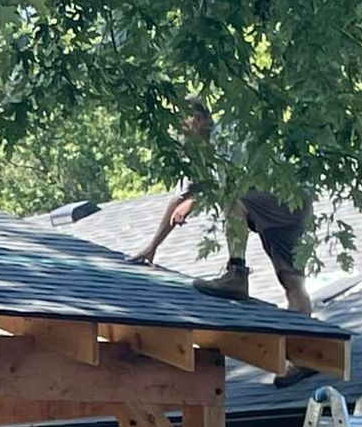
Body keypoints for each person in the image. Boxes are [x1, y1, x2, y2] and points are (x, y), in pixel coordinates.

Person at [128, 99, 314, 317]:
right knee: (292, 281)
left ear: (196, 119)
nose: (178, 132)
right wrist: (153, 245)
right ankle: (302, 330)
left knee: (233, 200)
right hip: (280, 206)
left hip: (286, 197)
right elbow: (179, 198)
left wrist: (195, 202)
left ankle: (237, 274)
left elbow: (236, 184)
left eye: (180, 124)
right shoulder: (198, 153)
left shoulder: (229, 135)